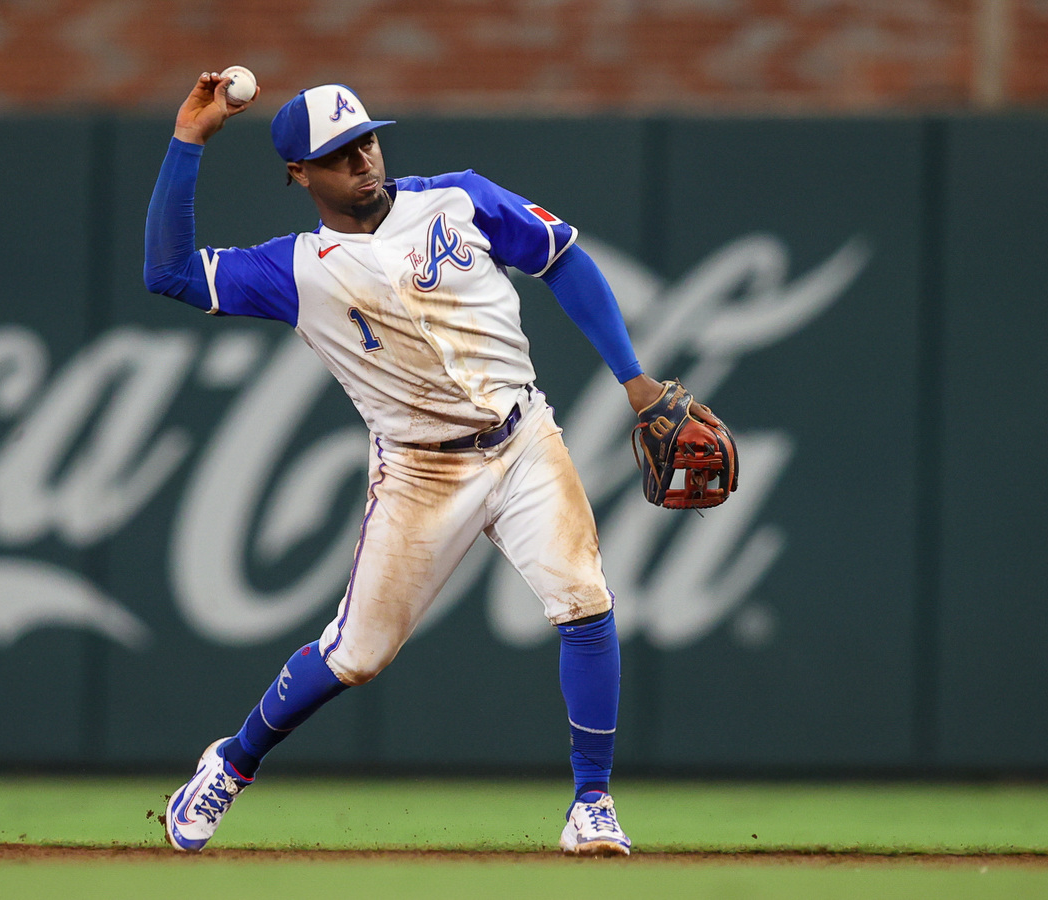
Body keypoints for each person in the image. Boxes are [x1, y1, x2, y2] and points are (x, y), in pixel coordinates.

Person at [144, 71, 704, 856]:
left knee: (584, 599)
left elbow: (564, 258)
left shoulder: (459, 200)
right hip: (419, 473)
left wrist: (636, 383)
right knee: (356, 657)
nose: (363, 160)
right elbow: (168, 275)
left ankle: (592, 802)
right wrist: (188, 142)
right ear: (300, 174)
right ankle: (231, 764)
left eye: (368, 139)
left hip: (522, 438)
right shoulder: (296, 268)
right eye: (339, 154)